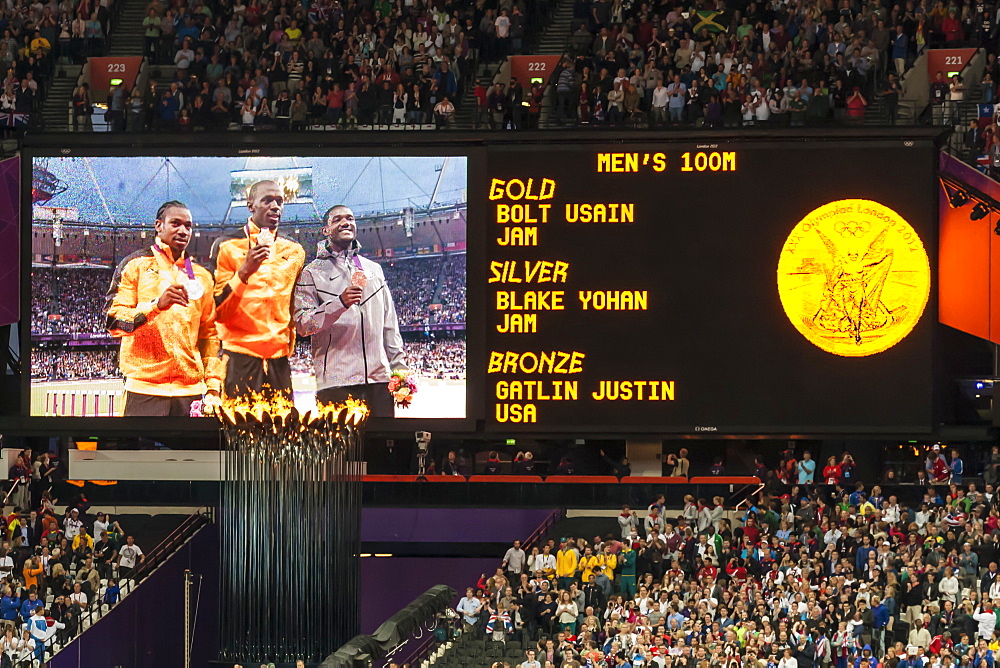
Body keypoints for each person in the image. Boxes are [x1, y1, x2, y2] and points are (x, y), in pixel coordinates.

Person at [106, 200, 221, 416]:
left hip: (191, 393)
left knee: (190, 452)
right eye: (175, 223)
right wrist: (156, 306)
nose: (183, 230)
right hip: (144, 390)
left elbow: (210, 336)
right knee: (139, 451)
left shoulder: (203, 277)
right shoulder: (135, 265)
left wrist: (213, 387)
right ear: (159, 225)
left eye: (188, 226)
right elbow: (113, 321)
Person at [292, 204, 406, 417]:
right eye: (337, 220)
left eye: (350, 218)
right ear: (326, 230)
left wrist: (400, 370)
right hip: (337, 383)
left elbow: (390, 325)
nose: (346, 222)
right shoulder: (311, 273)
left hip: (379, 381)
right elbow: (303, 325)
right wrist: (339, 304)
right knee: (343, 451)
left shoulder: (374, 270)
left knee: (382, 448)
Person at [211, 180, 305, 401]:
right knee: (240, 431)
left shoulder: (295, 251)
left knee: (282, 431)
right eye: (267, 200)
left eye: (279, 202)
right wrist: (243, 272)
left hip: (279, 360)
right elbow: (215, 308)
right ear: (250, 205)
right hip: (239, 358)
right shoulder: (226, 245)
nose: (275, 206)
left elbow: (295, 302)